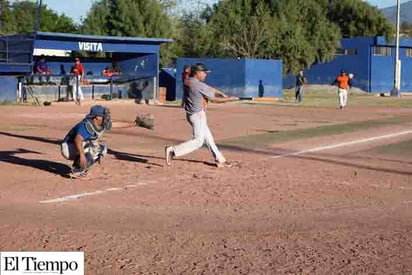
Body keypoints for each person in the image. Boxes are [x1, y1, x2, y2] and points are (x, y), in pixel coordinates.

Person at [165, 63, 238, 168]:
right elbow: (214, 99)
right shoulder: (199, 85)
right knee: (198, 141)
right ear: (198, 73)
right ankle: (173, 150)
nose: (205, 75)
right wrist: (229, 99)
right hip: (198, 115)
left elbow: (208, 88)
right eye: (204, 73)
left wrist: (221, 93)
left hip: (191, 114)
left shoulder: (188, 80)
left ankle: (220, 160)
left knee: (209, 139)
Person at [61, 105, 112, 178]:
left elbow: (116, 124)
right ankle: (77, 170)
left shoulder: (99, 123)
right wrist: (82, 155)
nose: (105, 118)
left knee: (102, 150)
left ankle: (82, 167)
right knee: (89, 146)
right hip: (69, 147)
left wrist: (132, 124)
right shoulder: (86, 125)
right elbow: (77, 140)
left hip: (77, 146)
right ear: (96, 117)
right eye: (103, 116)